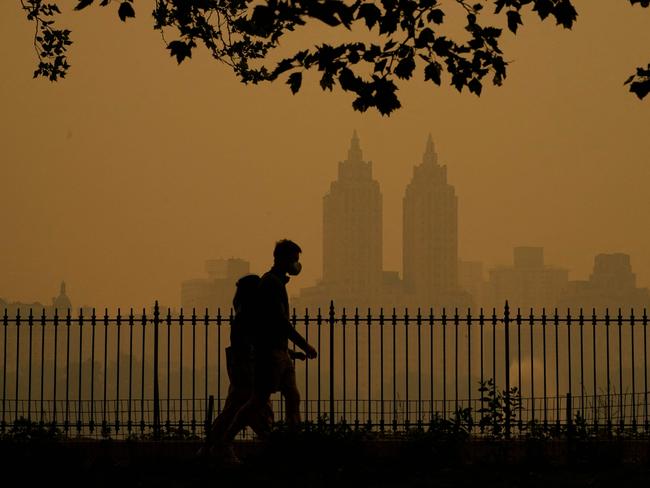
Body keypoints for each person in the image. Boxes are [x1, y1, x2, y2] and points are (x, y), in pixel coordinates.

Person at [218, 239, 317, 462]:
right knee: (257, 400)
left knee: (292, 396)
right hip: (269, 354)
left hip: (280, 353)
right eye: (294, 260)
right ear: (282, 259)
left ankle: (294, 444)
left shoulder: (276, 283)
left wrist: (290, 352)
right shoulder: (271, 284)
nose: (296, 264)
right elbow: (279, 323)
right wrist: (305, 345)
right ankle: (225, 441)